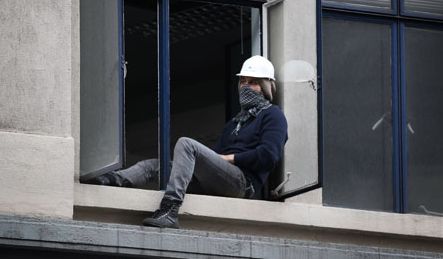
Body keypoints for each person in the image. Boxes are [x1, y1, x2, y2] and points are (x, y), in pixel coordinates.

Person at [92, 55, 288, 228]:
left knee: (186, 144)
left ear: (265, 86)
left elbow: (268, 156)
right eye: (242, 81)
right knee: (154, 166)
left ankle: (170, 210)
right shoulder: (234, 123)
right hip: (219, 181)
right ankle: (112, 180)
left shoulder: (273, 115)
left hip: (243, 184)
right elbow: (214, 159)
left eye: (252, 82)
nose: (246, 86)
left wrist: (230, 159)